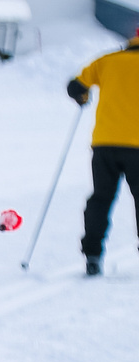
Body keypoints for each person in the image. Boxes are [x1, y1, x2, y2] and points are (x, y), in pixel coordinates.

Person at [68, 28, 139, 276]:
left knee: (101, 198)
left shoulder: (107, 61)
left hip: (104, 145)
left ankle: (93, 256)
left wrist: (83, 96)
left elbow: (75, 86)